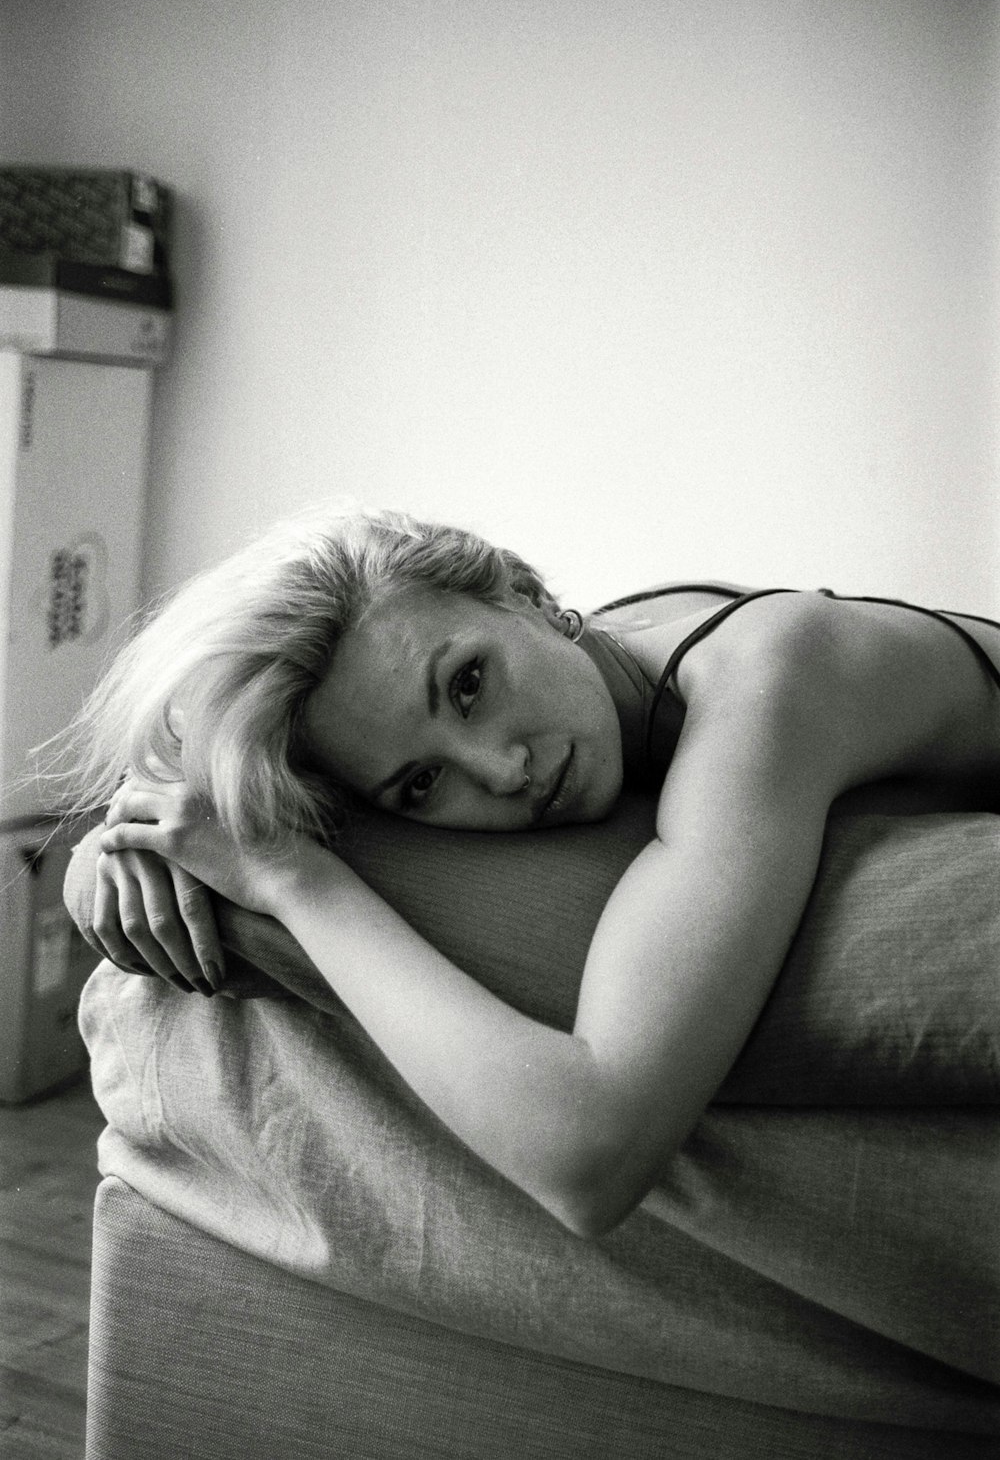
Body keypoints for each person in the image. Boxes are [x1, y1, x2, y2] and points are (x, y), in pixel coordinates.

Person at [57, 504, 1000, 1237]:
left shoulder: (768, 680)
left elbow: (591, 1155)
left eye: (468, 682)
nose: (502, 770)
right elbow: (165, 803)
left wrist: (295, 882)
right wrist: (113, 848)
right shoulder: (584, 674)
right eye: (423, 782)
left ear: (527, 592)